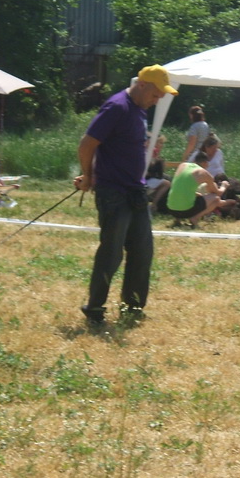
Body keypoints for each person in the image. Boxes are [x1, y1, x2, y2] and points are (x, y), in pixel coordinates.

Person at [73, 64, 178, 326]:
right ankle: (95, 308)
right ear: (142, 85)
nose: (157, 100)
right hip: (113, 192)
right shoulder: (117, 107)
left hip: (135, 190)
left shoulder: (139, 109)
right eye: (155, 94)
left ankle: (132, 307)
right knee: (111, 253)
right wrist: (88, 176)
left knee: (142, 251)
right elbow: (87, 145)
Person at [166, 152, 225, 228]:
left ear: (194, 161)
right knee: (216, 199)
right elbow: (216, 192)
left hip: (171, 209)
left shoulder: (182, 165)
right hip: (186, 211)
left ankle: (177, 219)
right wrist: (224, 186)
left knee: (181, 193)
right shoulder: (204, 173)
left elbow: (179, 187)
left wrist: (197, 194)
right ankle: (195, 218)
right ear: (205, 163)